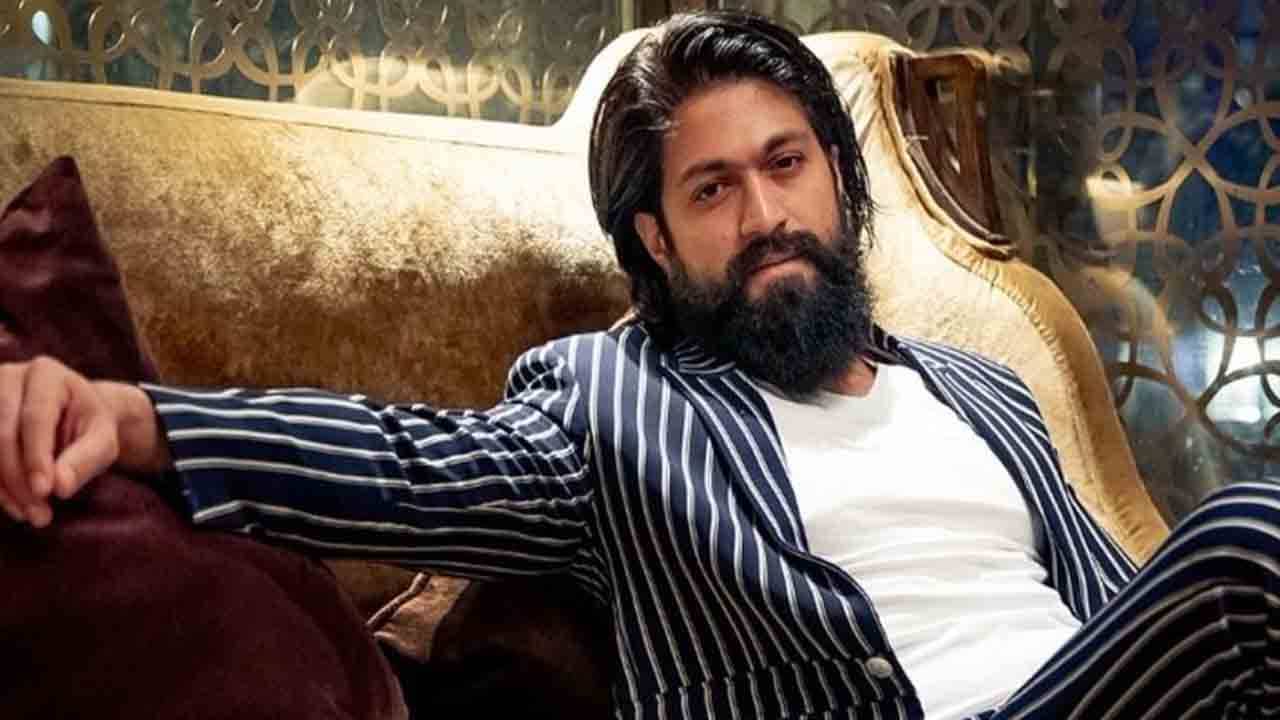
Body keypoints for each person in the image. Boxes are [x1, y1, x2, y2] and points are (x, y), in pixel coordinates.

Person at [2, 10, 1279, 720]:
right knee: (1246, 548)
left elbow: (1130, 607)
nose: (765, 215)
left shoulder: (983, 388)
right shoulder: (611, 405)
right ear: (656, 242)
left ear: (838, 183)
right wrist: (132, 417)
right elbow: (407, 466)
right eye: (711, 189)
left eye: (786, 165)